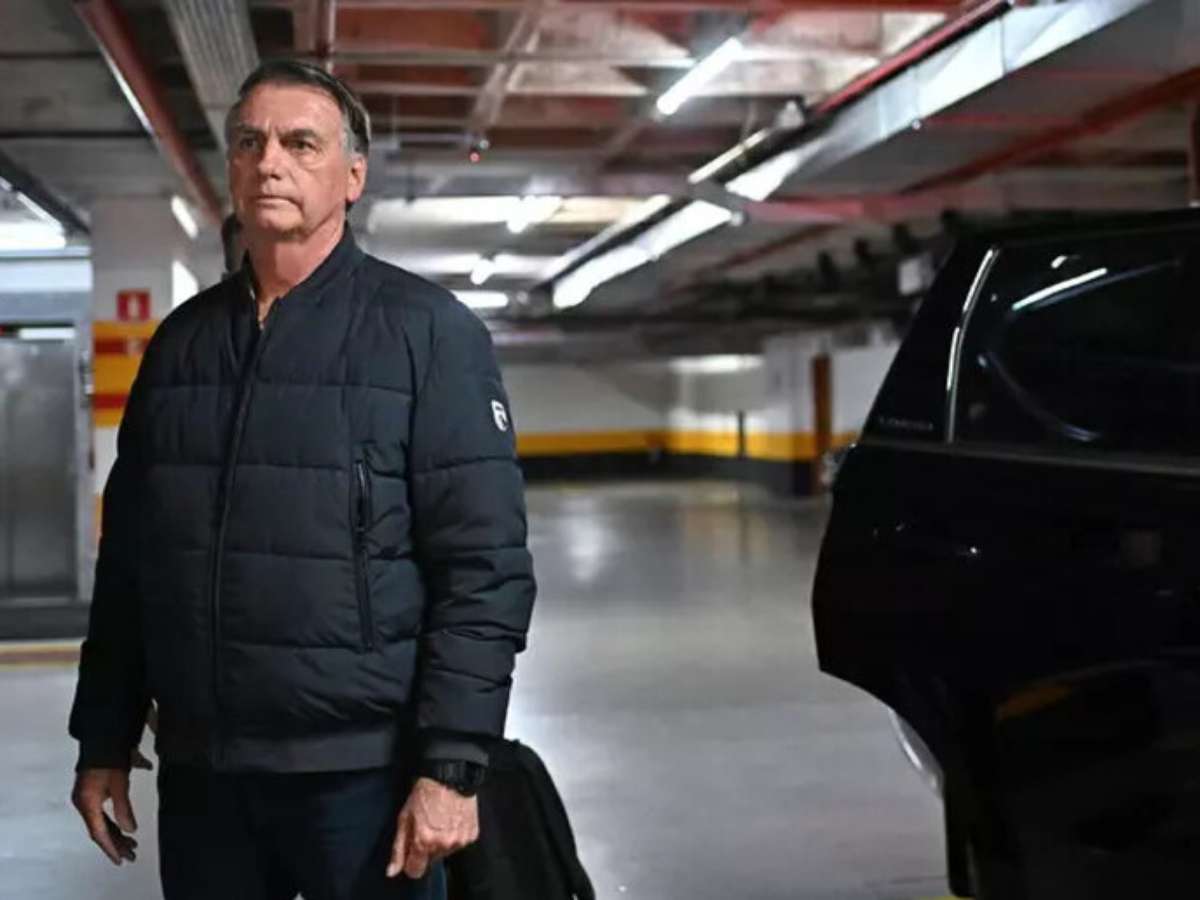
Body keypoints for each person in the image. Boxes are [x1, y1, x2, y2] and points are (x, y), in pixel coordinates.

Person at [67, 59, 536, 900]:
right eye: (250, 143)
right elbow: (132, 561)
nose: (269, 162)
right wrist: (104, 734)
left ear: (353, 176)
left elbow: (484, 570)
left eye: (300, 143)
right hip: (205, 776)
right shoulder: (180, 347)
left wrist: (453, 765)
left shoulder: (429, 335)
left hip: (362, 779)